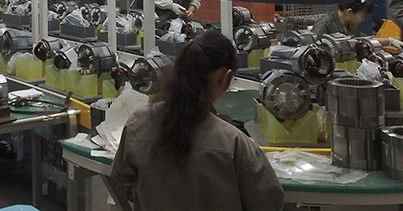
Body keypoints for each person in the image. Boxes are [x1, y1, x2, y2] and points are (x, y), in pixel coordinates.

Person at [113, 29, 283, 211]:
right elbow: (269, 203)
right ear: (224, 77)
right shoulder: (234, 144)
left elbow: (123, 179)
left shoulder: (139, 123)